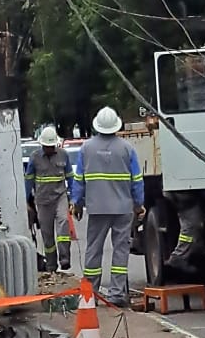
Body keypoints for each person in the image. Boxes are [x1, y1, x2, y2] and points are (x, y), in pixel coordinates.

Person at [71, 106, 144, 307]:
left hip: (97, 208)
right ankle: (116, 295)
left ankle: (89, 294)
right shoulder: (127, 149)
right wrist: (139, 205)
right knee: (120, 251)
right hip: (123, 209)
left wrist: (76, 203)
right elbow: (136, 180)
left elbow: (79, 180)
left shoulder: (86, 148)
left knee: (93, 250)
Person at [25, 126, 73, 273]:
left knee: (63, 223)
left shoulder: (63, 155)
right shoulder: (35, 158)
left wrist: (74, 198)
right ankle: (51, 265)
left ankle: (64, 258)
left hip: (60, 197)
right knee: (47, 235)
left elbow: (70, 176)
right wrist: (26, 201)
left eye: (51, 146)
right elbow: (28, 180)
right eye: (47, 147)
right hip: (43, 201)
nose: (49, 149)